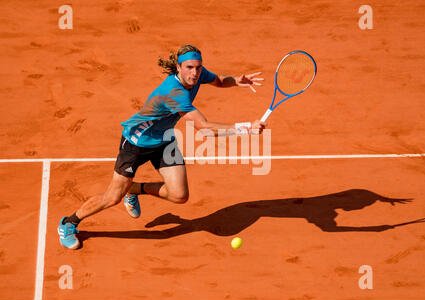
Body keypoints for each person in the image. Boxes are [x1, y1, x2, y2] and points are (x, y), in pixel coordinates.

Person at [57, 44, 267, 249]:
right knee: (112, 197)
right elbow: (204, 128)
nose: (195, 73)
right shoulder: (174, 92)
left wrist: (237, 80)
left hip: (164, 139)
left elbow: (220, 81)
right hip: (136, 143)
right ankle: (69, 223)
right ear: (179, 67)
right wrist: (246, 128)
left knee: (179, 195)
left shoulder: (198, 75)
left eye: (198, 67)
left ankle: (135, 189)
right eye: (189, 68)